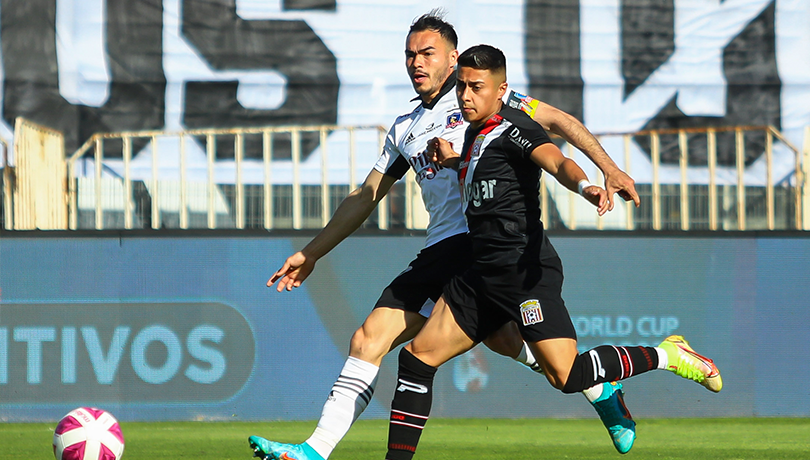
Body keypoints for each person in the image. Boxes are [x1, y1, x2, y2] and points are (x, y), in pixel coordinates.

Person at [249, 11, 641, 460]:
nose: (417, 62)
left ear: (453, 58)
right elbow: (365, 196)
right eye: (410, 54)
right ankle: (599, 386)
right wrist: (312, 253)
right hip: (441, 249)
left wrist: (608, 169)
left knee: (380, 341)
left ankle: (315, 451)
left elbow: (559, 123)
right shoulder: (405, 128)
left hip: (481, 245)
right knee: (497, 341)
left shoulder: (484, 97)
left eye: (427, 53)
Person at [381, 44, 722, 460]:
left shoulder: (516, 127)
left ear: (501, 90)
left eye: (476, 87)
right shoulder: (471, 134)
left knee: (568, 376)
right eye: (462, 87)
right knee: (416, 360)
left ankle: (668, 354)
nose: (466, 96)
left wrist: (587, 185)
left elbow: (557, 162)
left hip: (524, 273)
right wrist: (453, 162)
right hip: (479, 277)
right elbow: (482, 173)